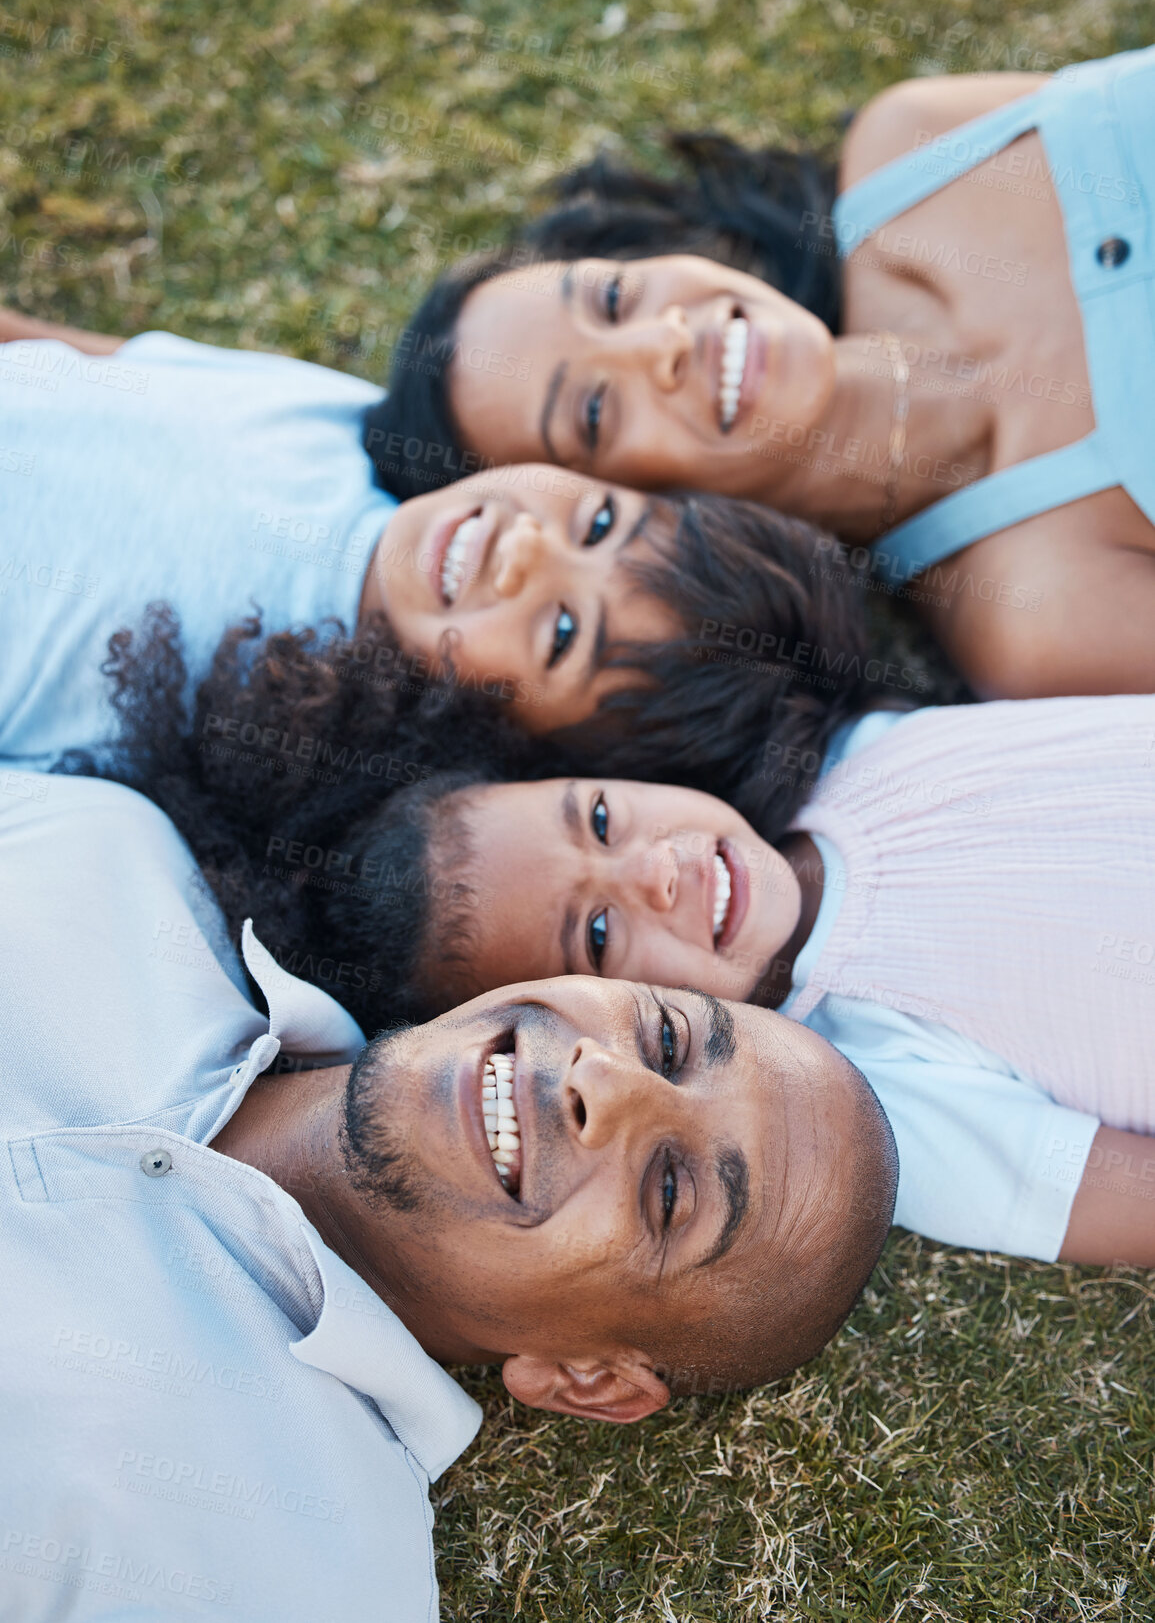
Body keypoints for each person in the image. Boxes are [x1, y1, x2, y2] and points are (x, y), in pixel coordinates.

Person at [0, 767, 896, 1621]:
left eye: (669, 1188)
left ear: (586, 1379)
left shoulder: (286, 1576)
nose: (606, 1082)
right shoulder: (98, 853)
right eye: (664, 1039)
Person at [97, 620, 1155, 1270]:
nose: (657, 871)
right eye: (600, 935)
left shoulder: (855, 749)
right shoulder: (863, 1096)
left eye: (601, 819)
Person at [366, 45, 1155, 700]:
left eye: (612, 297)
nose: (663, 342)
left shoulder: (913, 153)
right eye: (596, 413)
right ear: (636, 519)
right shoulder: (1036, 621)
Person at [0, 298, 878, 800]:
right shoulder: (343, 424)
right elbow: (91, 363)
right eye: (601, 523)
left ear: (503, 749)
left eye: (563, 634)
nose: (525, 549)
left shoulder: (211, 727)